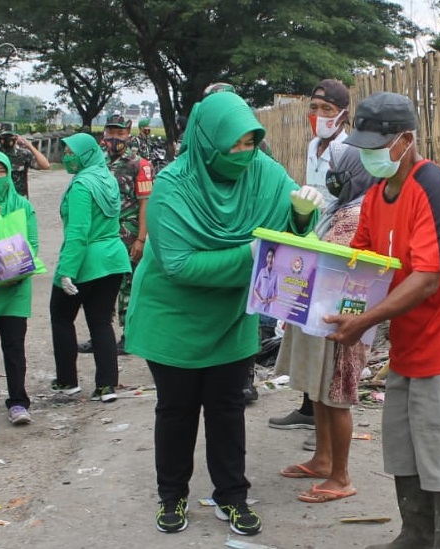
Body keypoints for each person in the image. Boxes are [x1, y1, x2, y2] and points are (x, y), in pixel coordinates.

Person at [124, 91, 323, 536]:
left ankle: (231, 496)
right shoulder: (172, 187)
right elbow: (179, 265)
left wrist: (302, 218)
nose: (243, 153)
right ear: (207, 139)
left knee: (227, 409)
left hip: (233, 314)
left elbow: (287, 243)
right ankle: (171, 497)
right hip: (173, 317)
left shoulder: (265, 174)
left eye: (251, 143)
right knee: (176, 410)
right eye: (234, 144)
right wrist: (251, 254)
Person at [326, 91, 440, 549]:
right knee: (406, 448)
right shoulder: (378, 195)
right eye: (363, 145)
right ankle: (415, 536)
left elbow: (427, 279)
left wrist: (362, 323)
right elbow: (356, 261)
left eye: (377, 145)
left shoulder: (432, 184)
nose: (369, 154)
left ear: (406, 140)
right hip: (408, 343)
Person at [277, 145, 380, 504]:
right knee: (321, 392)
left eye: (339, 171)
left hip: (346, 320)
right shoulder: (342, 209)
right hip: (328, 315)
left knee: (337, 397)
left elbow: (331, 263)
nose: (332, 177)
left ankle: (341, 476)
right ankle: (323, 460)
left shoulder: (358, 215)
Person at [269, 79, 351, 443]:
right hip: (311, 237)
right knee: (302, 319)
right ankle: (307, 409)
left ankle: (325, 423)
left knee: (324, 328)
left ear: (343, 114)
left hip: (336, 241)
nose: (319, 116)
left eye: (327, 110)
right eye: (314, 108)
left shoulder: (349, 148)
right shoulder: (313, 145)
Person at [50, 132, 131, 402]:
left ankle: (66, 381)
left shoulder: (83, 185)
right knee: (100, 322)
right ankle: (107, 385)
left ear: (85, 154)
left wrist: (66, 271)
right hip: (113, 259)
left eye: (72, 152)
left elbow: (79, 232)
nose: (66, 157)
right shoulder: (105, 177)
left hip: (87, 260)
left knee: (61, 316)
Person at [79, 114, 153, 355]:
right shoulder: (95, 163)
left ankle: (128, 336)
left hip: (128, 232)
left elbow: (145, 204)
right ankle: (100, 334)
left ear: (128, 135)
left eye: (120, 133)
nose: (115, 138)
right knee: (98, 285)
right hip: (100, 234)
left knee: (127, 286)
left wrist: (141, 238)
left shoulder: (140, 165)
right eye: (111, 132)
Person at [0, 152, 38, 425]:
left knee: (14, 346)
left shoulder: (23, 206)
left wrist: (20, 270)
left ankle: (18, 402)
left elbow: (33, 244)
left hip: (16, 288)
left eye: (1, 172)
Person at [0, 130, 51, 198]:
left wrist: (29, 146)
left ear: (16, 138)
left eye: (11, 137)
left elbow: (45, 166)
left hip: (18, 199)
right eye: (4, 137)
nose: (7, 140)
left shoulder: (23, 155)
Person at [252, 246, 278, 311]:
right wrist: (260, 300)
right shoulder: (262, 271)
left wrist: (268, 300)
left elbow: (276, 295)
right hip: (259, 305)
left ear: (274, 259)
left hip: (268, 307)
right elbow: (255, 289)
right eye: (269, 256)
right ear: (266, 258)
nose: (270, 259)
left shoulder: (276, 274)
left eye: (272, 257)